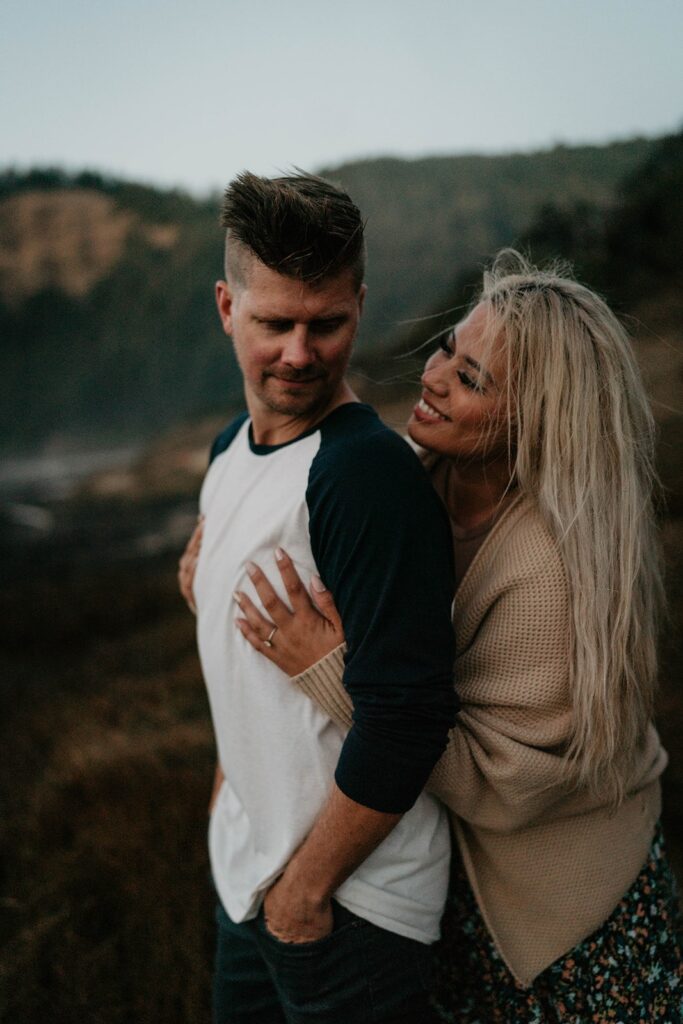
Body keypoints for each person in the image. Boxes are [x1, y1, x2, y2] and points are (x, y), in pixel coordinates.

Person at [192, 250, 683, 1021]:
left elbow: (496, 784)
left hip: (556, 909)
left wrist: (326, 668)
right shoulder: (418, 478)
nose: (433, 376)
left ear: (538, 416)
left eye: (471, 379)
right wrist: (212, 576)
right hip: (450, 878)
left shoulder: (548, 572)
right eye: (448, 348)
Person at [184, 171, 459, 1024]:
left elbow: (409, 715)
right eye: (274, 323)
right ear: (228, 306)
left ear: (359, 306)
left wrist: (304, 894)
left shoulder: (363, 473)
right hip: (250, 878)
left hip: (351, 908)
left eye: (326, 324)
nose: (299, 354)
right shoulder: (231, 450)